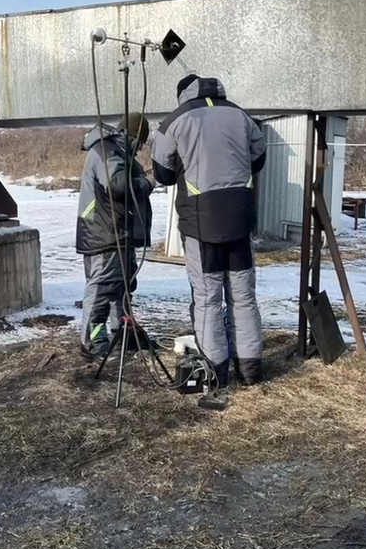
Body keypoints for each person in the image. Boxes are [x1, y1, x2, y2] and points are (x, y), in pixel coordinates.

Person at [152, 75, 266, 410]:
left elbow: (162, 173)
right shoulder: (241, 115)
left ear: (182, 95)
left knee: (207, 299)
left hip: (201, 225)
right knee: (243, 297)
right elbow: (258, 159)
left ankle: (216, 374)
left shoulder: (175, 121)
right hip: (240, 219)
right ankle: (250, 370)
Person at [75, 112, 154, 359]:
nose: (141, 148)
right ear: (133, 136)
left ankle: (121, 332)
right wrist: (148, 183)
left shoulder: (116, 151)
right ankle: (93, 341)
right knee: (101, 291)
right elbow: (118, 185)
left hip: (117, 233)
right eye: (140, 143)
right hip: (106, 236)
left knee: (122, 287)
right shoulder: (107, 150)